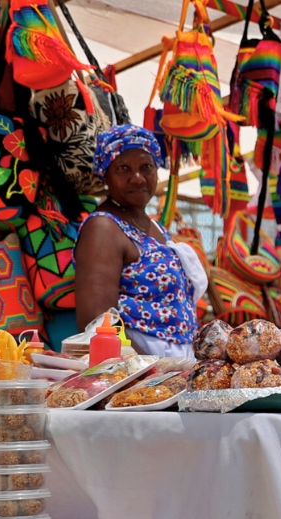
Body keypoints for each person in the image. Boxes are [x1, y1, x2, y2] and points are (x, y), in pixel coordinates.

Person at [75, 125, 204, 358]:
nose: (137, 178)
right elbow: (96, 321)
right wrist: (151, 369)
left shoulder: (155, 227)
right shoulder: (103, 227)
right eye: (123, 168)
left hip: (176, 364)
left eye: (146, 167)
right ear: (105, 175)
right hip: (141, 367)